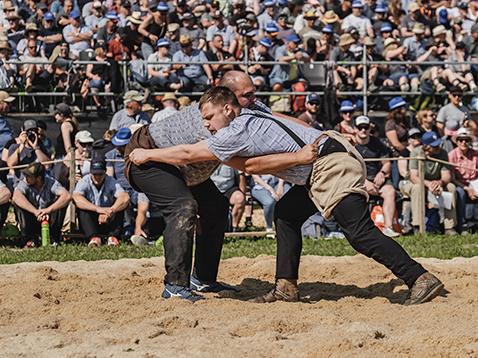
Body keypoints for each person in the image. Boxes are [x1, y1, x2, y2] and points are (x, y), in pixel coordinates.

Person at [128, 85, 444, 306]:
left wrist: (148, 155)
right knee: (286, 214)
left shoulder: (234, 129)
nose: (206, 124)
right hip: (326, 158)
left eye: (209, 117)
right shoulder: (254, 117)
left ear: (228, 108)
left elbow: (187, 153)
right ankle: (286, 287)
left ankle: (418, 277)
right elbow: (252, 162)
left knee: (359, 233)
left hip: (328, 166)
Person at [401, 131, 458, 235]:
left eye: (438, 145)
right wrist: (429, 184)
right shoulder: (415, 153)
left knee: (451, 187)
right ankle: (418, 226)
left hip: (436, 183)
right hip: (416, 183)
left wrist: (438, 183)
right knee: (418, 188)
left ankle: (449, 227)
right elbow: (414, 177)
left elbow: (446, 176)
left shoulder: (442, 153)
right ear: (426, 146)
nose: (438, 148)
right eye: (434, 146)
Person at [354, 115, 399, 237]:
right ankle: (358, 231)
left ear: (370, 128)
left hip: (377, 180)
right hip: (357, 180)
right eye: (360, 127)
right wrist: (364, 181)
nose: (363, 130)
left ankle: (388, 227)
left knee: (390, 191)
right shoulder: (351, 145)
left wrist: (382, 173)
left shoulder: (377, 143)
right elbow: (349, 170)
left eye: (366, 127)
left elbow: (387, 163)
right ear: (355, 129)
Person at [73, 157, 129, 247]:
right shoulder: (84, 181)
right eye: (95, 174)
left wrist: (111, 210)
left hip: (108, 217)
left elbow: (125, 197)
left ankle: (113, 237)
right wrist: (99, 210)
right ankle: (94, 238)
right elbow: (77, 198)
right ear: (90, 172)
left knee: (120, 205)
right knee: (82, 208)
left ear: (105, 172)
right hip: (92, 219)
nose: (98, 177)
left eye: (100, 174)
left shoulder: (111, 181)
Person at [12, 162, 70, 247]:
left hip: (48, 219)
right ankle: (29, 238)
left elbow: (67, 196)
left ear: (38, 178)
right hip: (31, 218)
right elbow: (16, 197)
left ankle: (53, 238)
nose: (26, 178)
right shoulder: (25, 182)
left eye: (29, 176)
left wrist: (47, 210)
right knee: (18, 204)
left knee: (60, 203)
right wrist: (35, 211)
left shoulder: (51, 182)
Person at [448, 127, 478, 233]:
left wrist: (474, 187)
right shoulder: (451, 156)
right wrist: (467, 188)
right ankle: (462, 224)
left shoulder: (475, 154)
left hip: (474, 182)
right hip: (459, 183)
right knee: (460, 193)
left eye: (466, 140)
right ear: (457, 142)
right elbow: (452, 178)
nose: (463, 142)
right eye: (461, 140)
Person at [210, 164, 246, 232]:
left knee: (240, 199)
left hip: (229, 190)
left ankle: (234, 228)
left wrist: (243, 194)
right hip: (211, 190)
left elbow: (241, 176)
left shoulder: (231, 158)